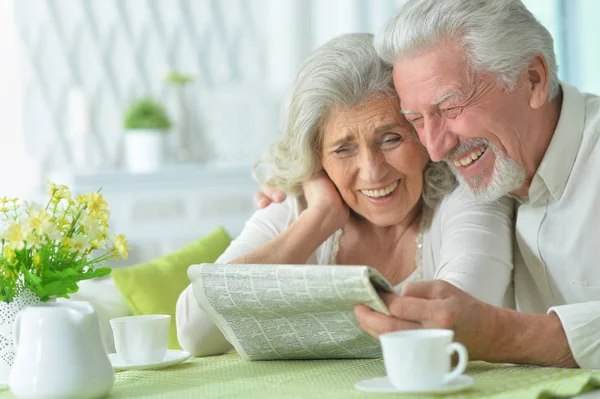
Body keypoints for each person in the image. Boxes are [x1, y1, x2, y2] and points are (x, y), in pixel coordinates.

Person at [176, 33, 514, 357]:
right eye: (343, 149)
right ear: (316, 160)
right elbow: (195, 333)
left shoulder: (469, 197)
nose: (372, 171)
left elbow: (458, 320)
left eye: (391, 139)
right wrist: (319, 218)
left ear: (422, 134)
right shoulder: (299, 208)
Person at [353, 0, 600, 369]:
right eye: (416, 120)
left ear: (533, 78)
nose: (436, 149)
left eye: (450, 109)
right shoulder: (444, 175)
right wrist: (298, 194)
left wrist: (502, 334)